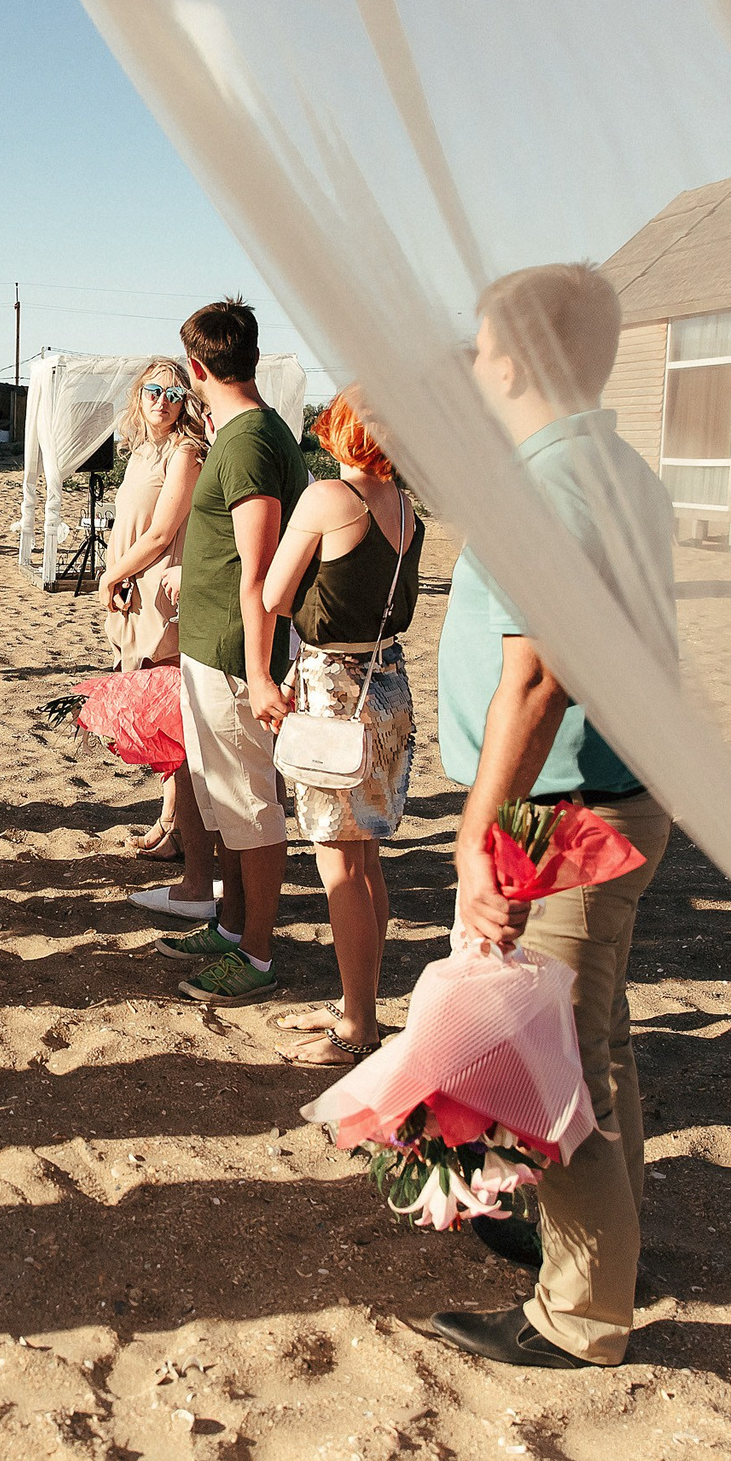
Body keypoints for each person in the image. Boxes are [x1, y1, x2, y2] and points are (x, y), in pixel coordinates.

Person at [416, 262, 678, 1372]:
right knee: (593, 1047)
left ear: (515, 359)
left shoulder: (551, 482)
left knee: (553, 1063)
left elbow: (535, 681)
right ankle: (601, 1253)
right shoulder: (611, 465)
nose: (472, 366)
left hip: (565, 811)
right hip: (612, 793)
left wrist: (484, 839)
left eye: (480, 347)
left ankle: (580, 1318)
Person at [260, 387, 422, 1068]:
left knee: (340, 863)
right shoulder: (404, 506)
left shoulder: (330, 498)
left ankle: (357, 1025)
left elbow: (272, 593)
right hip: (389, 684)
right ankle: (362, 1001)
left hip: (336, 689)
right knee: (367, 859)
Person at [152, 299, 306, 1005]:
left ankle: (258, 954)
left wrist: (254, 667)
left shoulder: (246, 441)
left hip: (234, 655)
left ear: (197, 367)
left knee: (250, 806)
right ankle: (235, 926)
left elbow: (259, 568)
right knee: (229, 803)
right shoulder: (254, 430)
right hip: (218, 646)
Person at [95, 362, 219, 910]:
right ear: (138, 396)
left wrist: (113, 573)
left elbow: (165, 530)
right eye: (154, 391)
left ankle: (178, 830)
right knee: (153, 714)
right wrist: (119, 575)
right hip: (134, 589)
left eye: (174, 392)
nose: (163, 401)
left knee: (170, 718)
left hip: (162, 596)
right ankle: (168, 821)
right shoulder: (143, 450)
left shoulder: (185, 452)